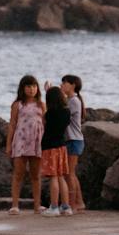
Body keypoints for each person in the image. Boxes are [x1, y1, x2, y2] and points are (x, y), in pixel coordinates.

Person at [4, 74, 44, 214]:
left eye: (34, 86)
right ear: (23, 88)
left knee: (36, 175)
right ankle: (15, 205)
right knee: (18, 174)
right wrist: (8, 144)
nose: (31, 89)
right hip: (21, 141)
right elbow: (12, 124)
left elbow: (45, 123)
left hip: (36, 142)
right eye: (28, 86)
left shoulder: (41, 104)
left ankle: (37, 206)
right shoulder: (18, 105)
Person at [38, 83, 74, 215]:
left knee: (53, 177)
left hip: (50, 147)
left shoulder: (49, 114)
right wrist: (51, 90)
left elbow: (44, 123)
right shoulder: (67, 112)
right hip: (62, 146)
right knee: (61, 176)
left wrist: (48, 93)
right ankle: (66, 207)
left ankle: (54, 207)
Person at [61, 74, 87, 213]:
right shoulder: (70, 100)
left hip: (74, 140)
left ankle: (73, 204)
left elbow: (64, 116)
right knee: (71, 173)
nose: (62, 85)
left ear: (73, 85)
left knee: (69, 174)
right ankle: (79, 202)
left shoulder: (73, 101)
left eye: (65, 83)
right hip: (73, 139)